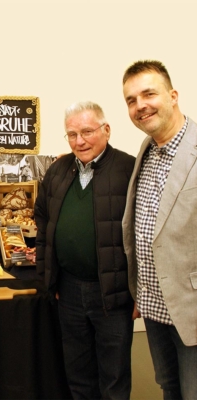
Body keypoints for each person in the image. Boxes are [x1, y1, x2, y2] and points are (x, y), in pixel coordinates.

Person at [34, 101, 136, 399]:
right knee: (78, 377)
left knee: (114, 379)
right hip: (68, 292)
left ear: (106, 130)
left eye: (87, 132)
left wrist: (140, 291)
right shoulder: (58, 171)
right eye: (72, 134)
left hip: (113, 295)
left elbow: (143, 233)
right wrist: (47, 277)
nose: (79, 141)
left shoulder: (128, 169)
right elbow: (43, 223)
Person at [122, 60, 197, 399]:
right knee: (169, 389)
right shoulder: (147, 151)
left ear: (173, 95)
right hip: (153, 306)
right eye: (131, 100)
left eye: (148, 94)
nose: (140, 105)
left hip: (190, 308)